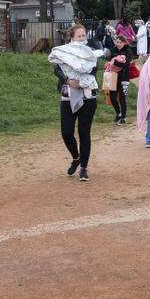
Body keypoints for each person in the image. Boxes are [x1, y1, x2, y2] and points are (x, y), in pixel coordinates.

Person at [49, 25, 103, 182]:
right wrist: (67, 80)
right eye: (79, 36)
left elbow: (93, 69)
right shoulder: (64, 51)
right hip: (68, 95)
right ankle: (76, 157)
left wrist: (81, 79)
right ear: (71, 37)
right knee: (66, 132)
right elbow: (57, 70)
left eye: (84, 35)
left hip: (88, 96)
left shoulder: (90, 52)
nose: (82, 38)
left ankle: (84, 168)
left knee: (84, 132)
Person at [106, 36, 133, 125]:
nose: (118, 44)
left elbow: (126, 64)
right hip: (113, 76)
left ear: (124, 43)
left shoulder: (128, 51)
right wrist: (108, 64)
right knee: (112, 97)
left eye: (120, 42)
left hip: (124, 77)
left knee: (122, 98)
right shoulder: (113, 50)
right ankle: (118, 113)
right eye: (117, 42)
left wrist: (114, 62)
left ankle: (123, 118)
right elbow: (109, 60)